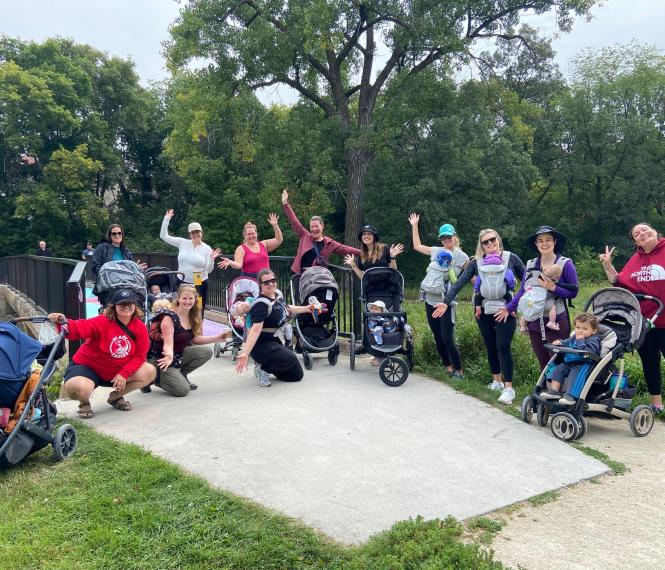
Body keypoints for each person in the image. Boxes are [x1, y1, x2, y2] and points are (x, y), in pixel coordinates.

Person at [433, 229, 525, 404]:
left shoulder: (511, 258)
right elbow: (460, 282)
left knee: (503, 346)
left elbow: (527, 281)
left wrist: (512, 305)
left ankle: (509, 388)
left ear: (498, 240)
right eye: (485, 242)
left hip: (505, 308)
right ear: (481, 245)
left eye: (492, 240)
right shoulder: (477, 262)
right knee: (490, 345)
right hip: (483, 310)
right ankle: (496, 381)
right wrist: (446, 301)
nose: (490, 244)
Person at [47, 289, 156, 418]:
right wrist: (62, 321)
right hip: (90, 368)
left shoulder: (140, 327)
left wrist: (124, 373)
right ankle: (84, 402)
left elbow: (139, 355)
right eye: (122, 304)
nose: (126, 307)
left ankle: (116, 396)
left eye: (130, 304)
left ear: (135, 306)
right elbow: (79, 327)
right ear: (114, 307)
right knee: (77, 387)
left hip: (117, 371)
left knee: (150, 371)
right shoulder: (101, 321)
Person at [600, 222, 665, 414]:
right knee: (649, 362)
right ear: (635, 241)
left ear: (655, 231)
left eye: (645, 230)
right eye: (637, 234)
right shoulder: (635, 259)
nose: (642, 233)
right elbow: (618, 281)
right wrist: (608, 265)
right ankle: (657, 404)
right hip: (644, 323)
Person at [501, 226, 579, 370]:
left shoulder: (565, 264)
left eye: (548, 240)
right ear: (536, 244)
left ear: (555, 241)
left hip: (556, 321)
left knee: (557, 361)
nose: (544, 244)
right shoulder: (530, 264)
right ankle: (543, 391)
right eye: (540, 241)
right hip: (534, 320)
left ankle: (558, 392)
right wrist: (509, 308)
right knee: (542, 361)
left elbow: (573, 292)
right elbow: (523, 290)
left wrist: (553, 288)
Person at [409, 214, 469, 380]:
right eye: (443, 238)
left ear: (455, 237)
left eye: (449, 237)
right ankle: (448, 367)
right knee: (437, 336)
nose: (446, 240)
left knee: (447, 337)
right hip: (430, 299)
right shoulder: (436, 251)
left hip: (447, 302)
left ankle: (459, 370)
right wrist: (415, 225)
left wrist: (481, 289)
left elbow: (471, 274)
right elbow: (417, 246)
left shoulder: (462, 256)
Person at [145, 285, 230, 396]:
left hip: (177, 355)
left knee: (206, 352)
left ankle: (181, 375)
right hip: (162, 359)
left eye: (191, 298)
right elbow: (168, 343)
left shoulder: (193, 315)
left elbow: (195, 339)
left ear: (195, 300)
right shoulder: (169, 317)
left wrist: (217, 338)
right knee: (183, 390)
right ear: (178, 298)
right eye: (184, 298)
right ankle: (152, 379)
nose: (188, 301)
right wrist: (169, 356)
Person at [235, 269, 314, 387]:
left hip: (274, 342)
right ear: (260, 285)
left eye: (273, 280)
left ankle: (266, 366)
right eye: (266, 282)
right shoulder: (261, 305)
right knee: (290, 358)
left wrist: (306, 308)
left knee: (296, 375)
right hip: (261, 345)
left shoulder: (276, 296)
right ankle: (263, 370)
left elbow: (287, 308)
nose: (271, 284)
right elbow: (255, 330)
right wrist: (245, 353)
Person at [281, 189, 360, 276]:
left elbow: (345, 249)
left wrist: (363, 253)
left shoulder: (329, 243)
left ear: (322, 226)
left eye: (316, 226)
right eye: (312, 227)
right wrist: (285, 204)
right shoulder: (305, 235)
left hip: (317, 277)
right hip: (300, 275)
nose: (314, 229)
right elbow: (294, 221)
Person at [160, 209, 221, 320]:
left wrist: (211, 259)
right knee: (180, 306)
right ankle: (181, 329)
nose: (195, 234)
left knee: (198, 308)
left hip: (199, 281)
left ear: (201, 233)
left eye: (197, 232)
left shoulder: (206, 248)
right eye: (193, 232)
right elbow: (163, 236)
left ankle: (198, 331)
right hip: (182, 280)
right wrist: (166, 219)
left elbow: (209, 269)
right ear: (189, 234)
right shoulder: (182, 242)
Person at [540, 312, 601, 405]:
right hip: (570, 362)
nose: (580, 331)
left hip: (584, 363)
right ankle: (554, 391)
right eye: (578, 327)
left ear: (593, 331)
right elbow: (566, 342)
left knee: (576, 374)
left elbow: (589, 351)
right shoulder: (574, 337)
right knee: (558, 369)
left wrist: (580, 341)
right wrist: (560, 342)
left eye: (585, 328)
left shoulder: (593, 340)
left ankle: (570, 396)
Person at [217, 215, 283, 276]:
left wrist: (275, 226)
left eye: (253, 233)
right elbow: (238, 265)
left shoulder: (263, 244)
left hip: (266, 279)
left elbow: (279, 240)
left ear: (256, 234)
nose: (251, 236)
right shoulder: (241, 249)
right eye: (248, 234)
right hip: (249, 280)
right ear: (244, 235)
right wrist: (230, 262)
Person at [518, 264, 563, 333]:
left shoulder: (535, 278)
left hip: (529, 299)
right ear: (555, 276)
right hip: (541, 302)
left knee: (525, 313)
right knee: (552, 307)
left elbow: (525, 286)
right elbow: (555, 288)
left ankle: (523, 327)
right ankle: (551, 322)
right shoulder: (550, 281)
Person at [473, 253, 517, 319]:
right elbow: (510, 280)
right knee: (509, 296)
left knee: (477, 298)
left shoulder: (482, 271)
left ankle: (478, 311)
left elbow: (478, 282)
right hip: (501, 293)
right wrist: (511, 288)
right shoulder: (505, 270)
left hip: (485, 293)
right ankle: (511, 310)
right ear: (500, 262)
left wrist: (477, 290)